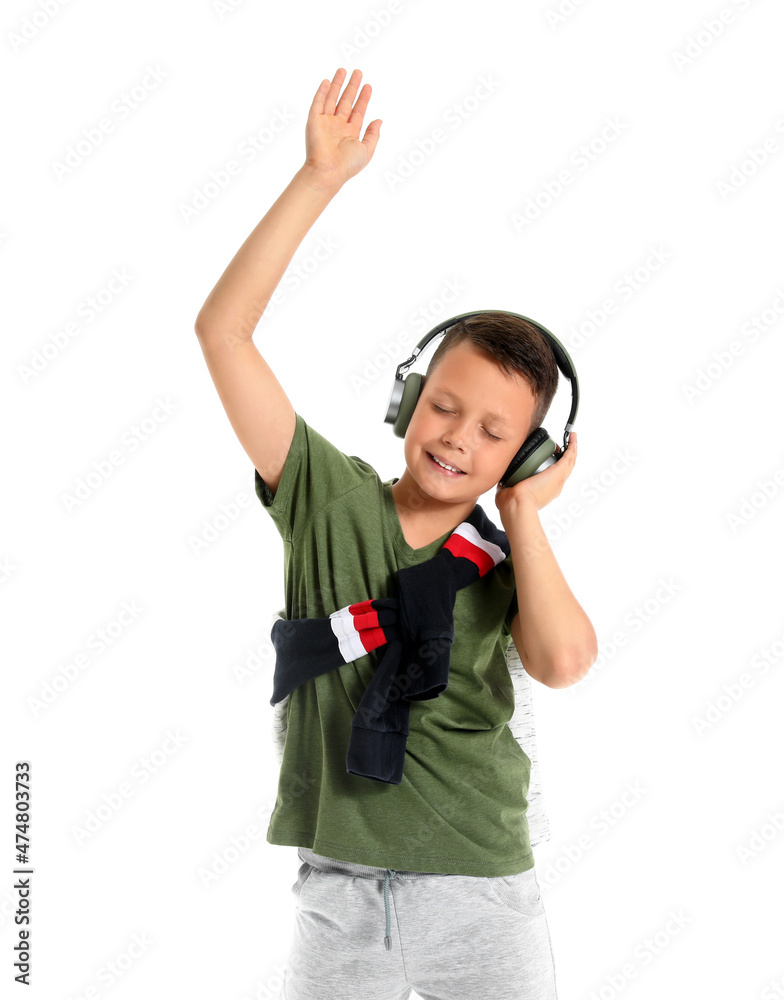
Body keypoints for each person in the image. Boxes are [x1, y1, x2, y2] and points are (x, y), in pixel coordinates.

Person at [195, 66, 598, 1000]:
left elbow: (565, 661)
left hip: (484, 891)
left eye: (497, 434)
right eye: (445, 407)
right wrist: (318, 180)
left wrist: (526, 514)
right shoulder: (326, 499)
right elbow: (223, 333)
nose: (459, 438)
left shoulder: (505, 561)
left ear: (526, 453)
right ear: (409, 400)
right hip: (339, 893)